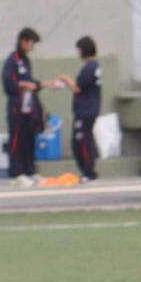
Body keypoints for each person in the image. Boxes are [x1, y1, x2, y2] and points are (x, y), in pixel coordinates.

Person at [55, 37, 101, 181]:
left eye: (79, 50)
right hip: (89, 109)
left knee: (81, 141)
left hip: (85, 110)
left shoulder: (89, 68)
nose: (78, 53)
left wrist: (65, 79)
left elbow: (77, 88)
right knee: (84, 139)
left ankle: (88, 171)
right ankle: (88, 170)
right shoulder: (95, 66)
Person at [2, 27, 42, 187]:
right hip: (16, 106)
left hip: (28, 106)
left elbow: (31, 81)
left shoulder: (26, 61)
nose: (32, 47)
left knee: (29, 138)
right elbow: (8, 83)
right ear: (23, 41)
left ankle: (29, 170)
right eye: (31, 43)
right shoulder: (12, 60)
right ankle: (15, 173)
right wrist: (24, 84)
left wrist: (35, 85)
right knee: (16, 138)